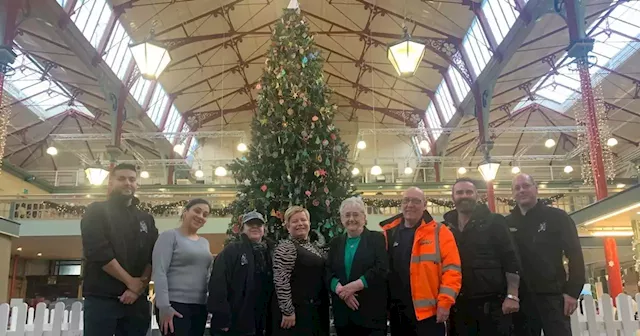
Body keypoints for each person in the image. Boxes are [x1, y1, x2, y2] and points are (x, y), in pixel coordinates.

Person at [80, 163, 159, 336]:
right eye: (121, 178)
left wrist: (138, 286)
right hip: (102, 298)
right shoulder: (96, 211)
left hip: (137, 300)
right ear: (110, 183)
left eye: (132, 179)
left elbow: (154, 255)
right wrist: (130, 282)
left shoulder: (146, 218)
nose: (127, 183)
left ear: (137, 184)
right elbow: (98, 251)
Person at [508, 173, 585, 336]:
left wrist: (572, 292)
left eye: (526, 186)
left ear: (536, 189)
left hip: (554, 297)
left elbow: (575, 255)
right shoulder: (507, 223)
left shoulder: (558, 218)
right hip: (522, 300)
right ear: (513, 194)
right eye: (517, 188)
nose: (521, 190)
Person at [443, 178, 521, 336]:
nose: (464, 196)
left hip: (492, 306)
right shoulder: (445, 228)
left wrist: (512, 295)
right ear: (453, 197)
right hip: (458, 307)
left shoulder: (495, 222)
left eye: (469, 192)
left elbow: (511, 258)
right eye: (459, 192)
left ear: (476, 196)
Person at [380, 187, 462, 336]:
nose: (410, 205)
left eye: (416, 201)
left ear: (425, 205)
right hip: (397, 313)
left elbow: (452, 270)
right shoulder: (389, 233)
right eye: (406, 200)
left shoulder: (440, 232)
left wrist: (445, 302)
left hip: (429, 314)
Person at [326, 197, 389, 336]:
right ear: (341, 219)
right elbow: (327, 271)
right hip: (343, 315)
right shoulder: (335, 243)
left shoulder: (377, 239)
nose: (351, 219)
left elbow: (382, 268)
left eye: (355, 214)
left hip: (371, 315)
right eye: (347, 215)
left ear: (364, 217)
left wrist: (353, 287)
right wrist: (342, 291)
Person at [208, 210, 275, 336]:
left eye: (259, 224)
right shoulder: (232, 251)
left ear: (264, 229)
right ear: (242, 228)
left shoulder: (271, 251)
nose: (255, 227)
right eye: (250, 224)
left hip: (263, 321)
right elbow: (218, 284)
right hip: (237, 322)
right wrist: (222, 317)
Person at [152, 198, 214, 335]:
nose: (200, 216)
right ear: (185, 212)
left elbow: (206, 274)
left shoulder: (204, 243)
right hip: (174, 304)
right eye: (197, 211)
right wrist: (164, 306)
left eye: (205, 214)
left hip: (200, 307)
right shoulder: (169, 236)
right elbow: (160, 271)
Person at [271, 206, 330, 336]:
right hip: (297, 314)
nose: (300, 224)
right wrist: (288, 311)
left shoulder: (313, 246)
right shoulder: (286, 247)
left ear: (309, 223)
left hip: (315, 312)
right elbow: (281, 281)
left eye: (303, 220)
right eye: (295, 221)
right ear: (287, 226)